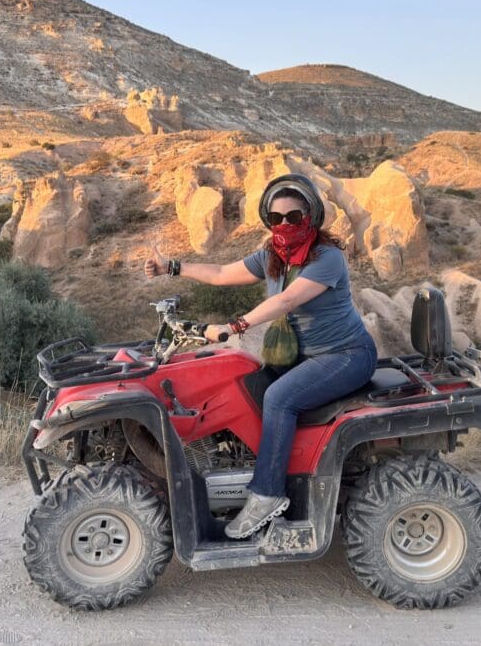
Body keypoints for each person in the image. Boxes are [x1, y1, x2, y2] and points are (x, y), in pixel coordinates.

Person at [143, 174, 378, 538]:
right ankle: (242, 468)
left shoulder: (327, 257)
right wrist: (172, 267)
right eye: (277, 218)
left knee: (279, 398)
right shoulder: (273, 255)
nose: (285, 224)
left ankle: (267, 493)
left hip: (346, 356)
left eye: (294, 217)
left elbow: (285, 300)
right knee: (241, 382)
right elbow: (222, 273)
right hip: (305, 356)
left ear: (311, 217)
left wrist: (232, 327)